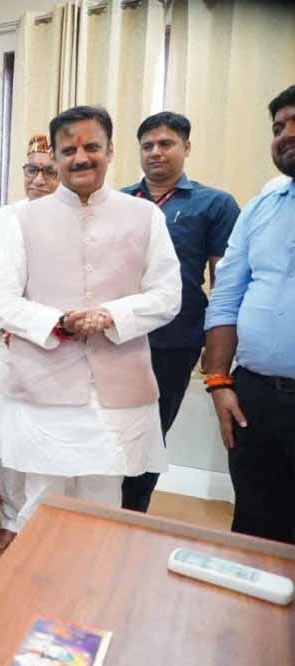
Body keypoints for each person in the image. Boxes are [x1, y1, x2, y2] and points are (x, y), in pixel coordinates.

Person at [0, 106, 181, 528]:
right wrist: (58, 323)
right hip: (42, 386)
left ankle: (96, 574)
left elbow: (169, 295)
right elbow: (0, 298)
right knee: (42, 503)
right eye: (68, 150)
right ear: (56, 157)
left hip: (118, 388)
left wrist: (111, 315)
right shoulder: (23, 219)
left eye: (92, 147)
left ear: (110, 151)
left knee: (103, 503)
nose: (80, 158)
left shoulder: (145, 216)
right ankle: (40, 573)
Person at [120, 112, 240, 512]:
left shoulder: (215, 204)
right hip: (117, 337)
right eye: (147, 145)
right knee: (109, 429)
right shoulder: (119, 201)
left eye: (166, 143)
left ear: (186, 147)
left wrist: (218, 347)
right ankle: (100, 509)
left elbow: (224, 282)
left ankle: (132, 515)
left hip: (174, 341)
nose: (155, 152)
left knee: (151, 433)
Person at [203, 84, 295, 544]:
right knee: (254, 527)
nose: (285, 134)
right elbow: (226, 297)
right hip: (255, 397)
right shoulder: (260, 208)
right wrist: (218, 381)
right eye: (278, 127)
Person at [0, 134, 58, 550]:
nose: (38, 180)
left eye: (48, 172)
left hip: (51, 348)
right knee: (6, 434)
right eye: (31, 170)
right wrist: (5, 323)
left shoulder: (73, 221)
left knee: (42, 437)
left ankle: (36, 523)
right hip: (4, 346)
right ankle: (10, 515)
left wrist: (40, 327)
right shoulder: (2, 219)